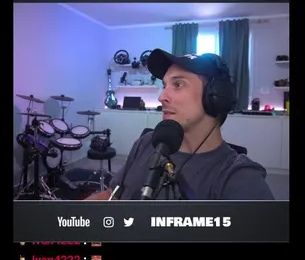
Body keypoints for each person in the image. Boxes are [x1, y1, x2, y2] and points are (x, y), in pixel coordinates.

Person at [84, 50, 274, 200]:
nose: (162, 97)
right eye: (164, 85)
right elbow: (112, 196)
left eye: (178, 85)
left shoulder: (240, 179)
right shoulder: (146, 143)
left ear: (215, 96)